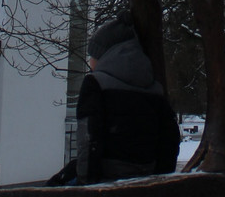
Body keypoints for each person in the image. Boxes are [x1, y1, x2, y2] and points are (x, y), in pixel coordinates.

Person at [50, 14, 180, 185]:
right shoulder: (154, 88)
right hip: (147, 173)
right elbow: (169, 139)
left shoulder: (95, 84)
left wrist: (86, 183)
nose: (90, 62)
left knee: (55, 187)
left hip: (107, 174)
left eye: (93, 56)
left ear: (106, 55)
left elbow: (88, 139)